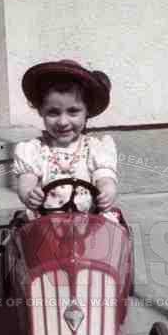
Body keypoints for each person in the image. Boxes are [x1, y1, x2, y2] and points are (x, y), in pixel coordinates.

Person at [11, 59, 119, 221]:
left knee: (110, 236)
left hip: (88, 221)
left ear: (86, 111)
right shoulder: (34, 150)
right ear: (41, 111)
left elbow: (104, 177)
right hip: (45, 222)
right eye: (53, 112)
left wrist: (106, 191)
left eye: (73, 111)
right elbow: (27, 180)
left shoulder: (95, 148)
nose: (63, 122)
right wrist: (29, 194)